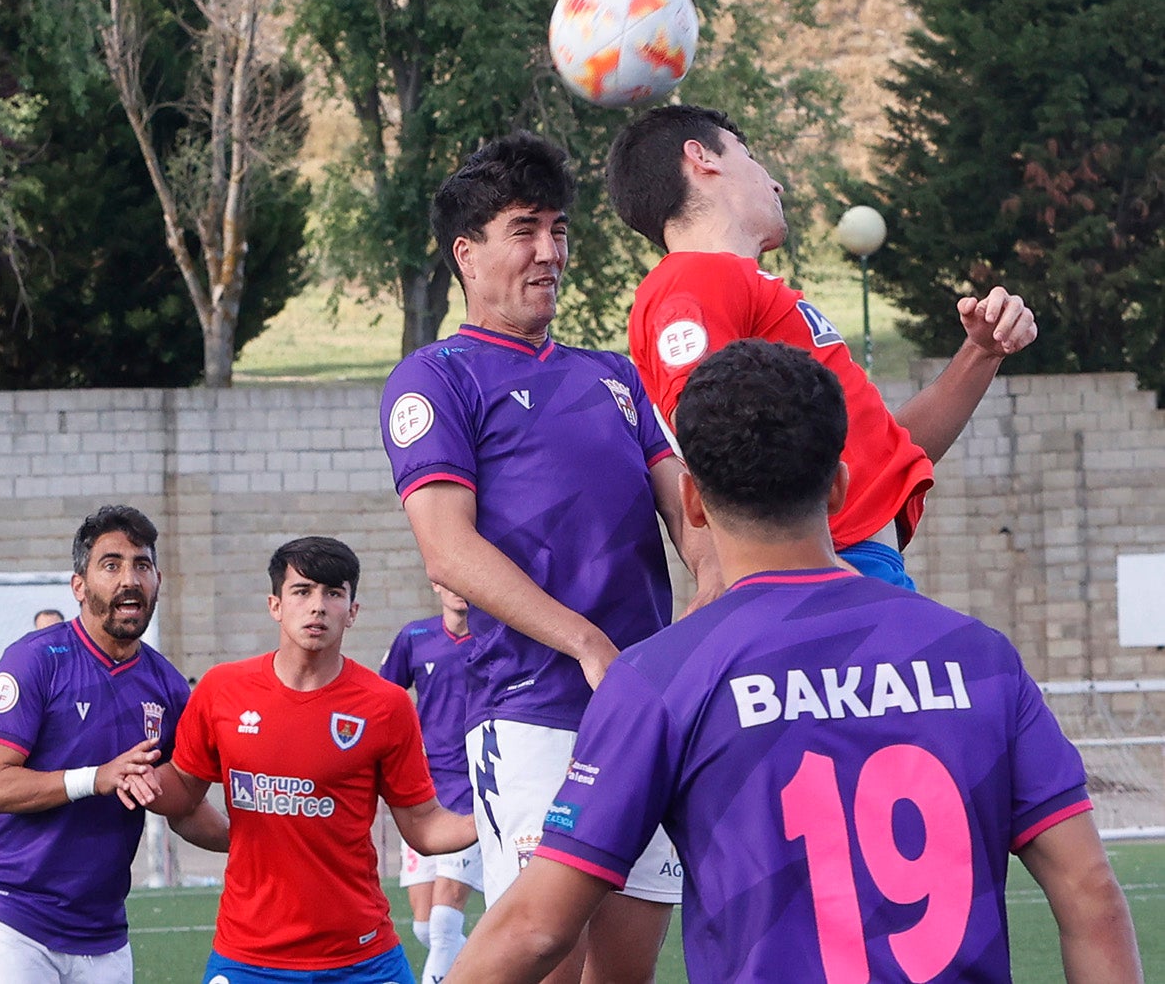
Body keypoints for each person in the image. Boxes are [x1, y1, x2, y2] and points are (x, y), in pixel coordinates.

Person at [445, 339, 1143, 984]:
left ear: (691, 501)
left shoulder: (661, 680)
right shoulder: (979, 657)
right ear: (838, 487)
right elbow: (1090, 895)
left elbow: (537, 929)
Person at [380, 132, 705, 984]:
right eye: (524, 230)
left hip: (641, 717)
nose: (550, 251)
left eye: (558, 230)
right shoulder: (436, 378)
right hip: (531, 717)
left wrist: (709, 618)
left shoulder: (615, 376)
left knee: (624, 976)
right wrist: (588, 644)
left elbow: (695, 521)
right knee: (543, 962)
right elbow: (448, 549)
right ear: (466, 254)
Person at [606, 104, 1040, 589]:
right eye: (749, 157)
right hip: (828, 569)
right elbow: (714, 437)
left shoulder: (743, 287)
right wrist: (812, 572)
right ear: (701, 158)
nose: (775, 184)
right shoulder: (696, 276)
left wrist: (981, 352)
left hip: (853, 562)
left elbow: (890, 452)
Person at [120, 536, 477, 984]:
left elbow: (423, 826)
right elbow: (184, 793)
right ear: (275, 605)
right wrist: (130, 777)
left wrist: (493, 820)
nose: (318, 606)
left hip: (362, 958)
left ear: (352, 611)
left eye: (333, 593)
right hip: (248, 957)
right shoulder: (221, 689)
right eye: (302, 591)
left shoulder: (386, 705)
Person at [0, 504, 229, 984]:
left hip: (103, 931)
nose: (130, 579)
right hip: (12, 916)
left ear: (158, 581)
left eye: (141, 565)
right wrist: (96, 778)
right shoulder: (35, 661)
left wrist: (253, 841)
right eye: (111, 565)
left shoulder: (168, 687)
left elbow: (183, 805)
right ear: (79, 586)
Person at [380, 583, 484, 983]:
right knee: (425, 927)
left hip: (473, 789)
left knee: (442, 925)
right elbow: (383, 697)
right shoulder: (415, 637)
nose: (459, 590)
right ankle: (493, 967)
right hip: (423, 793)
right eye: (450, 582)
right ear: (436, 584)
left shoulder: (495, 639)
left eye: (466, 581)